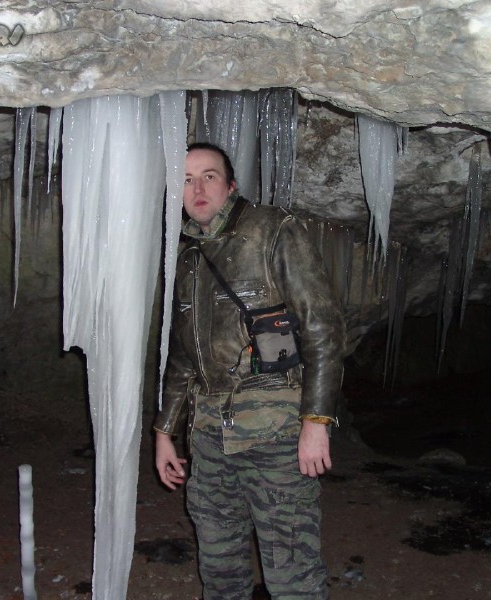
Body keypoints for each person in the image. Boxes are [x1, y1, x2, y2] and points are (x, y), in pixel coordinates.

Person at [154, 142, 345, 599]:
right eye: (186, 179)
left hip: (274, 432)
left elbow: (323, 326)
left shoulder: (273, 230)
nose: (197, 188)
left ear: (231, 184)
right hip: (208, 436)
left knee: (291, 569)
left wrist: (316, 421)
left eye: (209, 176)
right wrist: (164, 431)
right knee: (219, 567)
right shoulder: (188, 258)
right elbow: (183, 354)